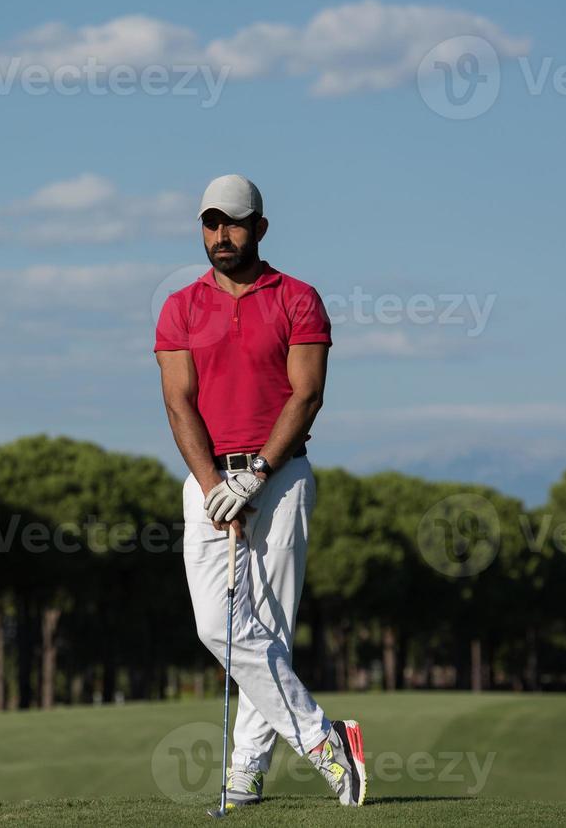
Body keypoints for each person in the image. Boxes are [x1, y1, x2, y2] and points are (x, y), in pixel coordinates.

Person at [154, 173, 366, 811]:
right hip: (208, 480)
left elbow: (307, 394)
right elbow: (177, 401)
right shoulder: (180, 307)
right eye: (211, 223)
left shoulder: (297, 298)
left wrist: (257, 475)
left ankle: (245, 770)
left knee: (269, 624)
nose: (222, 235)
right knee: (216, 624)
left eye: (235, 222)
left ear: (260, 228)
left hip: (281, 478)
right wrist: (218, 485)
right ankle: (322, 739)